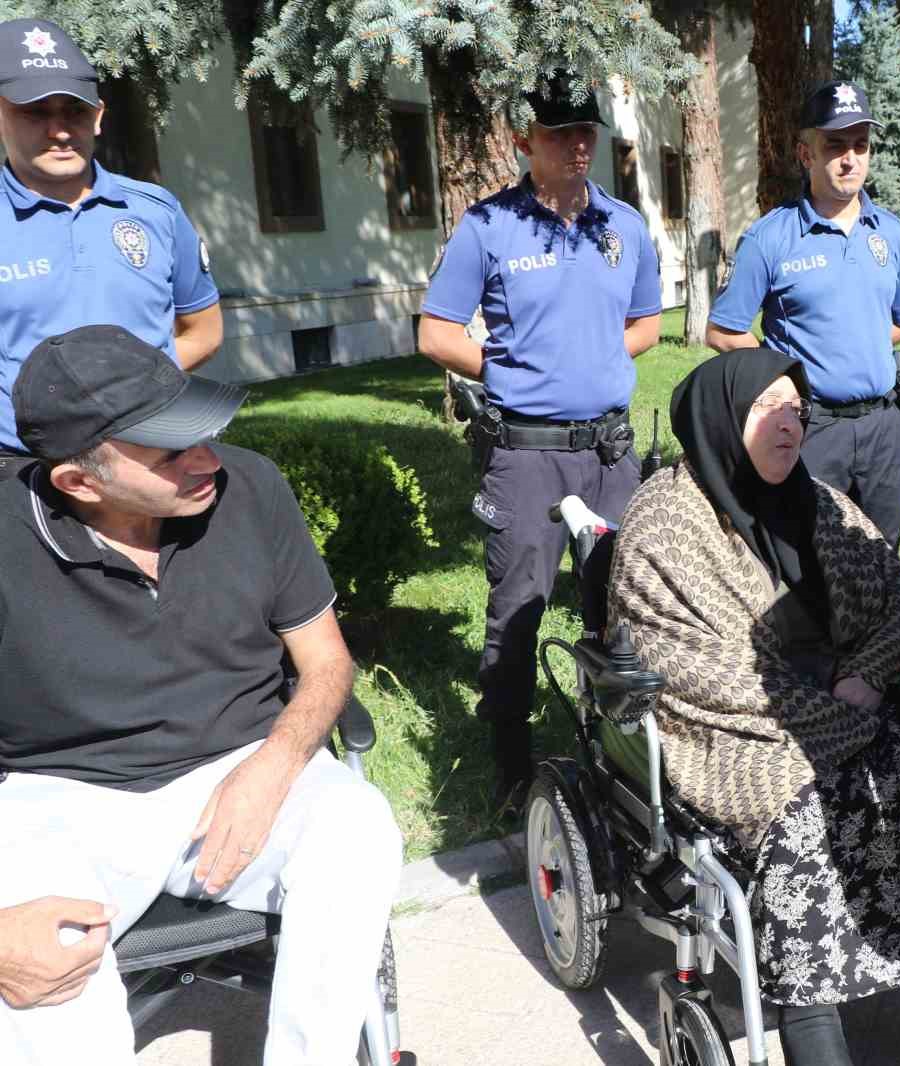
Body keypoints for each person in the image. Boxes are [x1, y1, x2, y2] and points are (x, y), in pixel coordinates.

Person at [606, 349, 900, 1066]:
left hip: (851, 695)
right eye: (767, 410)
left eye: (796, 410)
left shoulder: (818, 503)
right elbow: (700, 672)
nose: (788, 426)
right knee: (810, 812)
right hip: (736, 733)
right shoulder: (662, 527)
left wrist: (871, 677)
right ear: (723, 420)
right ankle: (811, 1024)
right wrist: (835, 717)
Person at [0, 325, 401, 1064]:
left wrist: (275, 764)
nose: (208, 459)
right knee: (36, 964)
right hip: (61, 798)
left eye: (203, 431)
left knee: (357, 825)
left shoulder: (249, 488)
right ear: (78, 482)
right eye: (171, 451)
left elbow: (326, 662)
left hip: (243, 764)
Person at [418, 73, 662, 808]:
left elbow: (646, 323)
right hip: (525, 456)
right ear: (527, 139)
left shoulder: (624, 226)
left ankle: (617, 751)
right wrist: (515, 369)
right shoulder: (489, 227)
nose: (578, 143)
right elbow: (435, 333)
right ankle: (514, 768)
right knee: (519, 606)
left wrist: (599, 360)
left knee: (623, 601)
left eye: (586, 129)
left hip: (610, 454)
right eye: (560, 132)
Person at [0, 19, 222, 480]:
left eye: (74, 112)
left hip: (157, 458)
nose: (59, 130)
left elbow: (203, 331)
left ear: (98, 116)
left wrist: (131, 394)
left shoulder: (155, 210)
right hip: (23, 468)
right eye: (35, 112)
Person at [707, 80, 900, 548]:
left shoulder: (891, 234)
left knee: (884, 558)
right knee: (807, 562)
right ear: (806, 154)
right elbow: (723, 332)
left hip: (883, 427)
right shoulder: (770, 238)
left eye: (861, 146)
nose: (851, 159)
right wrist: (789, 374)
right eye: (836, 145)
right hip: (811, 428)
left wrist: (856, 344)